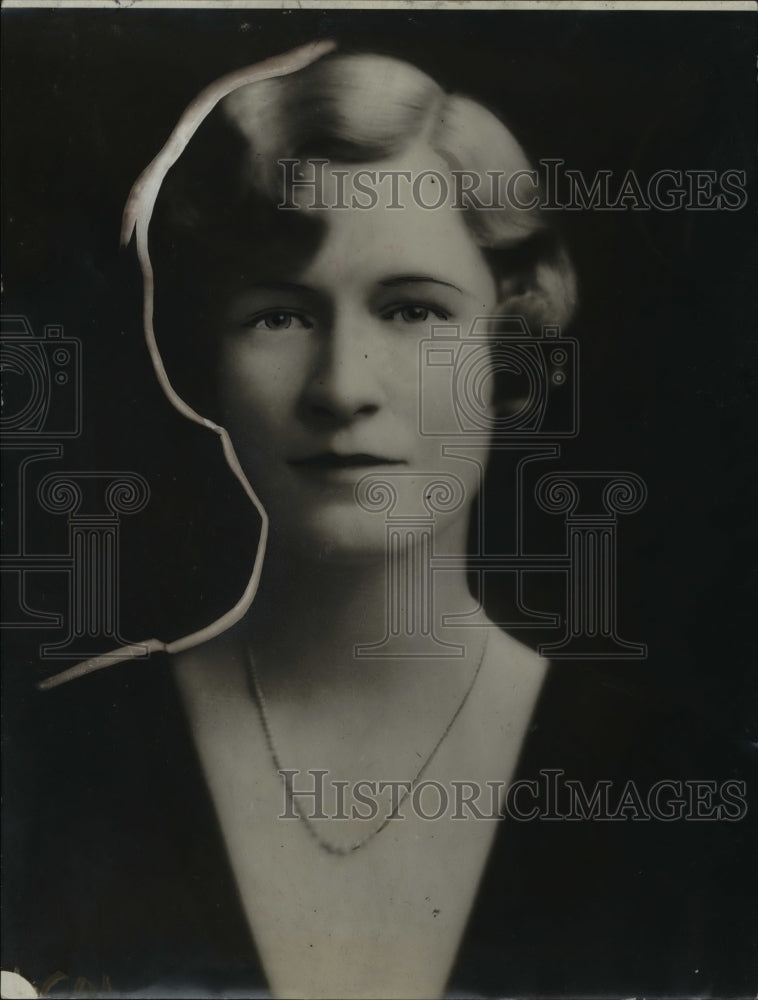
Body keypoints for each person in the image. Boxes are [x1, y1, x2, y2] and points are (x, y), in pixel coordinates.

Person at [5, 41, 747, 1000]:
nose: (342, 387)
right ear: (200, 357)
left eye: (412, 311)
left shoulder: (684, 796)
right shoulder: (50, 767)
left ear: (510, 351)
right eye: (279, 315)